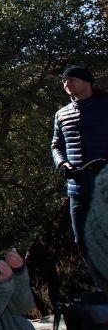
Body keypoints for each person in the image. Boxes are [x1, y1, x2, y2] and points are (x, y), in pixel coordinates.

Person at [51, 65, 108, 283]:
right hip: (77, 190)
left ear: (86, 81)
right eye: (64, 81)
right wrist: (62, 164)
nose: (66, 84)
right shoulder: (62, 113)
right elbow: (56, 145)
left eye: (71, 79)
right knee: (83, 241)